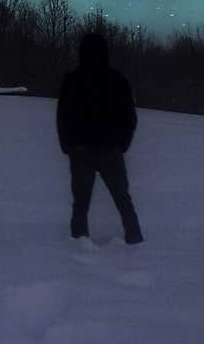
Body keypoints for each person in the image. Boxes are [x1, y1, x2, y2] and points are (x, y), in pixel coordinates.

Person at [56, 32, 143, 245]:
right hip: (107, 150)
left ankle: (79, 243)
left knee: (81, 205)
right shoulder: (117, 80)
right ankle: (134, 240)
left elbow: (63, 116)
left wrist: (68, 145)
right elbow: (129, 117)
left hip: (83, 150)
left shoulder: (73, 80)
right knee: (123, 200)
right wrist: (121, 143)